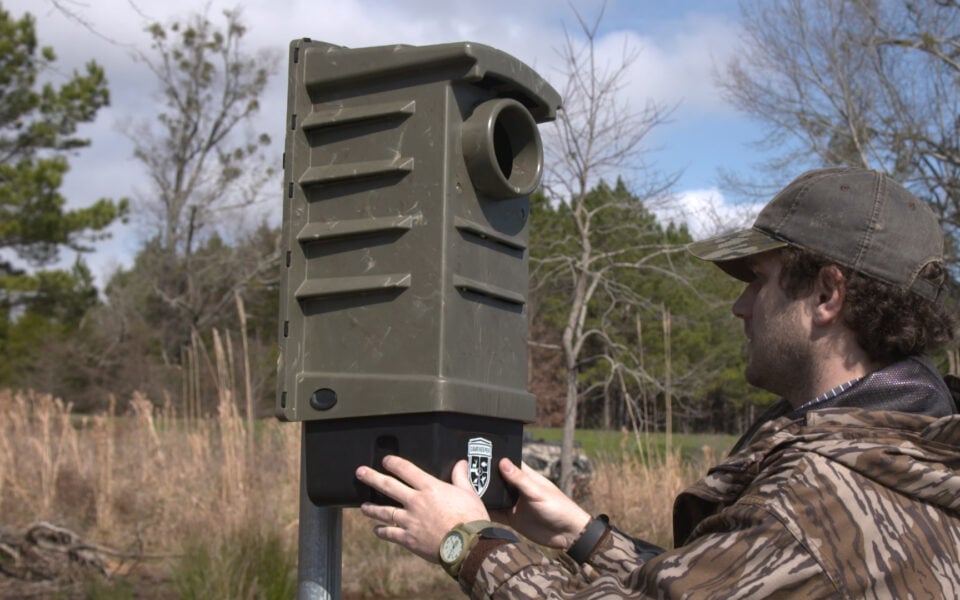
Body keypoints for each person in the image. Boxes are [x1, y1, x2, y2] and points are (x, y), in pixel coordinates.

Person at [355, 167, 960, 598]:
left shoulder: (815, 497)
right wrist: (585, 537)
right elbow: (719, 581)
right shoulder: (914, 451)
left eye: (758, 279)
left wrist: (464, 541)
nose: (741, 307)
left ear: (827, 294)